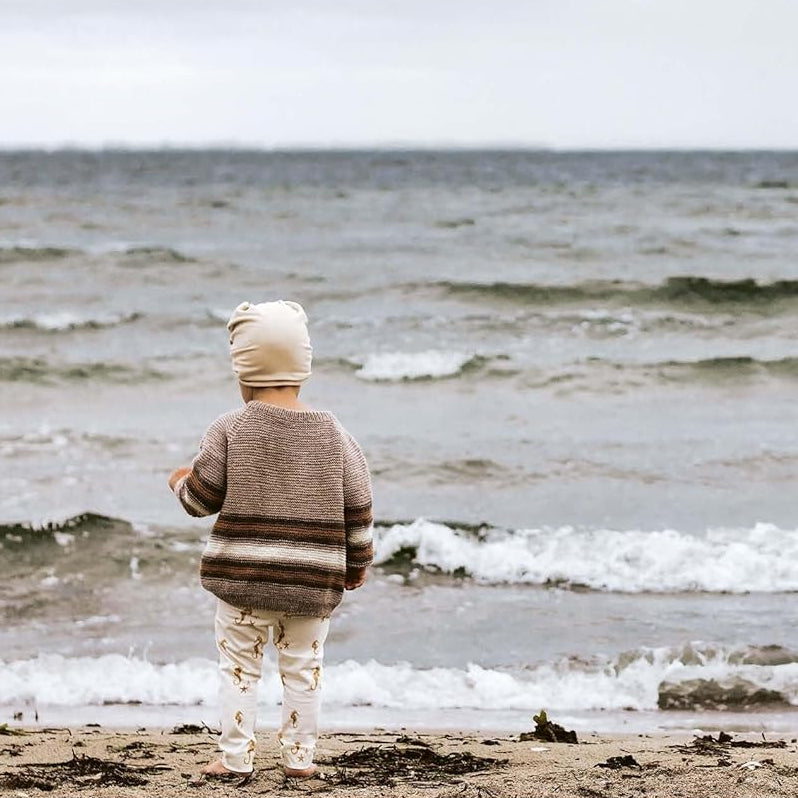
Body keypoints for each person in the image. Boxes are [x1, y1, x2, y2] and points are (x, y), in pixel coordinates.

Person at [167, 300, 373, 779]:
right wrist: (357, 562)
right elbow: (358, 505)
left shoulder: (230, 427)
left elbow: (200, 501)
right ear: (303, 368)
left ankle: (236, 758)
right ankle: (300, 760)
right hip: (311, 583)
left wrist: (179, 481)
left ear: (244, 372)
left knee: (239, 668)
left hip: (242, 581)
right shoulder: (335, 433)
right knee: (303, 669)